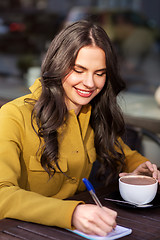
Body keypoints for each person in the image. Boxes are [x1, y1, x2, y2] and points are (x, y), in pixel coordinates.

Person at [0, 20, 159, 237]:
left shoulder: (90, 114)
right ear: (57, 64)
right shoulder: (12, 116)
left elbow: (124, 154)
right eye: (78, 70)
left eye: (100, 73)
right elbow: (2, 195)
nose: (90, 83)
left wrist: (141, 168)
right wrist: (72, 213)